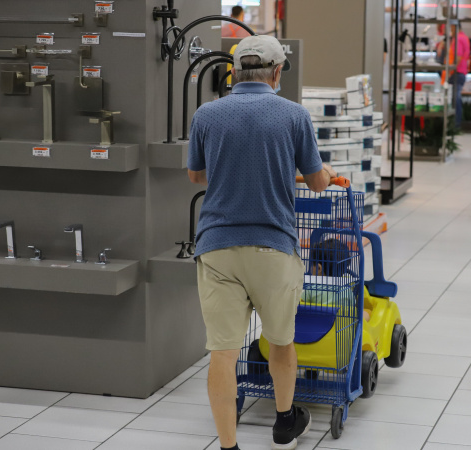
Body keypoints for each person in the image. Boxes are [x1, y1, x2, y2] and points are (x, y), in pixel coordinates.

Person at [187, 35, 337, 450]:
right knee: (281, 340)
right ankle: (286, 421)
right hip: (273, 246)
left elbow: (197, 176)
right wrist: (319, 170)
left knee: (223, 352)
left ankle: (229, 446)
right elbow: (318, 183)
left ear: (233, 72)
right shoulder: (293, 116)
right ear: (275, 73)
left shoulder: (206, 114)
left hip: (217, 246)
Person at [439, 24, 471, 127]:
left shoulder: (458, 38)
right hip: (461, 72)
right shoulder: (464, 37)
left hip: (457, 72)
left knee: (454, 98)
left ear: (454, 27)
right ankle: (456, 123)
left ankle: (455, 124)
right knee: (455, 98)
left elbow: (458, 56)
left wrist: (449, 72)